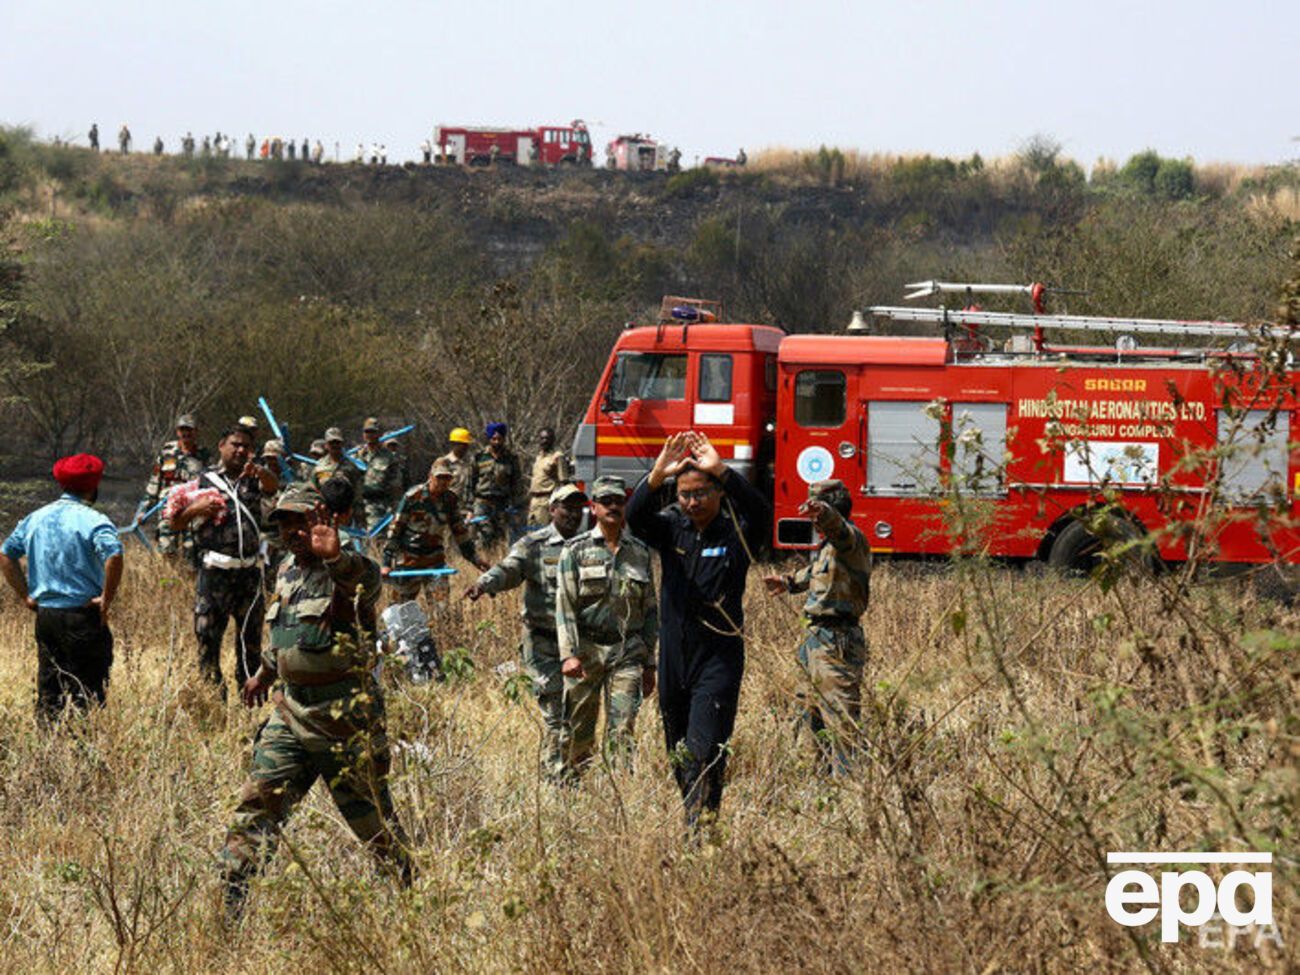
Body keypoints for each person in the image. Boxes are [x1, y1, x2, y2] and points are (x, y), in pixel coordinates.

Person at [219, 484, 411, 919]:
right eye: (284, 524)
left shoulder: (347, 569)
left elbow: (365, 580)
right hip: (290, 713)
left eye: (300, 522)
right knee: (255, 809)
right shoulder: (286, 570)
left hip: (341, 718)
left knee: (373, 822)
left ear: (321, 523)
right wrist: (264, 675)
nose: (292, 532)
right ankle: (232, 910)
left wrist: (336, 556)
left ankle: (410, 901)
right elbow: (285, 632)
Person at [626, 431, 769, 831]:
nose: (692, 501)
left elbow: (761, 512)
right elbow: (635, 518)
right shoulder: (672, 529)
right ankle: (700, 814)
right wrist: (656, 474)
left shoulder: (736, 532)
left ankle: (698, 827)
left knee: (704, 747)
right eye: (685, 494)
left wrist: (721, 469)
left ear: (718, 493)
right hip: (674, 656)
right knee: (678, 750)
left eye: (702, 492)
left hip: (718, 657)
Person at [465, 483, 588, 782]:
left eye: (577, 507)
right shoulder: (534, 544)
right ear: (552, 510)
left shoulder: (591, 544)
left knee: (581, 716)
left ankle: (580, 775)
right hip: (544, 643)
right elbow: (509, 569)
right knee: (556, 714)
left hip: (582, 644)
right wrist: (484, 583)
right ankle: (556, 781)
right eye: (566, 507)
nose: (572, 513)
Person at [0, 454, 122, 726]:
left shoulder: (36, 518)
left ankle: (49, 750)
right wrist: (106, 599)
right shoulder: (94, 520)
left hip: (47, 616)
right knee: (88, 691)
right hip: (82, 615)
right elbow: (113, 555)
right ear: (94, 486)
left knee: (50, 687)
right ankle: (82, 750)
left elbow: (6, 554)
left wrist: (26, 596)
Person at [763, 479, 871, 773]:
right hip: (814, 639)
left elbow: (838, 528)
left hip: (837, 641)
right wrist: (787, 583)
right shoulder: (827, 549)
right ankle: (818, 788)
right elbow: (817, 572)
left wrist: (823, 512)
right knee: (809, 718)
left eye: (817, 516)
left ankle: (849, 788)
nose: (814, 521)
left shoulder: (851, 540)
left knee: (842, 724)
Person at [554, 476, 656, 779]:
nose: (613, 507)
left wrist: (649, 662)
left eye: (619, 501)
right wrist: (568, 654)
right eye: (606, 501)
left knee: (623, 726)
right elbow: (565, 607)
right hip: (586, 650)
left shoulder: (639, 551)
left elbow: (650, 610)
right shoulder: (575, 550)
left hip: (627, 651)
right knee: (579, 726)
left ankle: (618, 792)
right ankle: (574, 787)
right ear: (593, 507)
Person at [168, 426, 279, 690]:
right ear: (221, 445)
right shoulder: (203, 481)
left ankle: (249, 700)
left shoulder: (254, 478)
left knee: (250, 644)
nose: (240, 450)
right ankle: (213, 701)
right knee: (208, 640)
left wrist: (261, 471)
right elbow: (174, 523)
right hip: (215, 572)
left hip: (249, 573)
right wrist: (196, 508)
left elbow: (273, 486)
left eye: (246, 446)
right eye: (235, 444)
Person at [383, 457, 487, 609]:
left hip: (434, 562)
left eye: (447, 478)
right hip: (408, 562)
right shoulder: (413, 497)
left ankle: (440, 631)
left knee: (441, 609)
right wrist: (386, 563)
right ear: (430, 477)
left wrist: (475, 559)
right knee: (399, 611)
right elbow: (395, 530)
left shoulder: (450, 500)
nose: (443, 482)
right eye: (439, 477)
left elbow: (460, 533)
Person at [137, 413, 210, 563]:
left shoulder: (204, 455)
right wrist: (142, 511)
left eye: (190, 429)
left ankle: (188, 583)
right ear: (177, 431)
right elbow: (155, 482)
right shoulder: (167, 452)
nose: (186, 433)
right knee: (167, 549)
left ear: (196, 432)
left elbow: (209, 483)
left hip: (192, 507)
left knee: (192, 551)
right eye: (183, 429)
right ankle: (168, 581)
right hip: (167, 506)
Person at [468, 422, 523, 549]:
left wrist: (516, 507)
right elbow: (470, 483)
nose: (497, 442)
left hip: (502, 504)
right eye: (494, 439)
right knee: (484, 534)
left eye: (500, 439)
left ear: (504, 439)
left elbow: (516, 484)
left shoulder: (511, 458)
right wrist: (469, 509)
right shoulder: (479, 457)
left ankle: (497, 561)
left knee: (500, 537)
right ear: (489, 439)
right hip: (482, 502)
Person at [355, 418, 403, 533]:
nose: (370, 435)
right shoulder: (356, 456)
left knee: (376, 539)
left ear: (379, 433)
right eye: (367, 432)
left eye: (373, 432)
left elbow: (396, 486)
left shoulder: (389, 457)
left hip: (378, 505)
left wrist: (395, 510)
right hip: (357, 506)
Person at [526, 427, 571, 527]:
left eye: (547, 438)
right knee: (531, 533)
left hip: (547, 500)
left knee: (542, 532)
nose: (544, 441)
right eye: (541, 438)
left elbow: (564, 481)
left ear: (552, 440)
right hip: (534, 501)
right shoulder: (539, 457)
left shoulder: (557, 456)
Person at [441, 428, 474, 501]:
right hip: (447, 505)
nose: (466, 447)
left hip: (465, 507)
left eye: (467, 444)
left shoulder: (469, 462)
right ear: (454, 444)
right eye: (463, 444)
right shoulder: (444, 463)